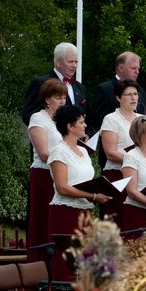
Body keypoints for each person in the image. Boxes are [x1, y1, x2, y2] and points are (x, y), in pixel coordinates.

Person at [47, 106, 111, 280]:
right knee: (66, 263)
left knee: (84, 262)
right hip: (65, 212)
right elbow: (62, 187)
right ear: (70, 126)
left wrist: (100, 189)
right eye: (81, 122)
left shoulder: (83, 151)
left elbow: (84, 179)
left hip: (85, 212)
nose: (85, 125)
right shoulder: (59, 151)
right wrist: (93, 196)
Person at [26, 79, 67, 261]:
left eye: (65, 97)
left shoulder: (62, 122)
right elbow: (43, 153)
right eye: (58, 97)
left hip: (62, 175)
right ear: (47, 99)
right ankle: (38, 266)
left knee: (58, 222)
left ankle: (56, 266)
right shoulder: (38, 118)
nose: (63, 101)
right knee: (42, 220)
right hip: (44, 174)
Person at [99, 79, 143, 224]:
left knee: (137, 218)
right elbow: (110, 152)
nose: (133, 98)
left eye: (136, 94)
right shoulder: (111, 119)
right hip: (117, 176)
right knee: (118, 218)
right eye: (129, 94)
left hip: (140, 176)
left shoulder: (142, 119)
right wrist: (135, 161)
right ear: (118, 98)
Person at [22, 42, 86, 125]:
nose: (74, 65)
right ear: (58, 62)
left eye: (76, 62)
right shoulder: (41, 83)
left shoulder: (80, 87)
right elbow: (28, 115)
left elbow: (87, 117)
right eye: (70, 62)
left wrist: (87, 134)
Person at [90, 52, 146, 132]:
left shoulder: (141, 90)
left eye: (138, 68)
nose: (137, 72)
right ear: (120, 68)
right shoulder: (105, 90)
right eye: (133, 68)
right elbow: (98, 121)